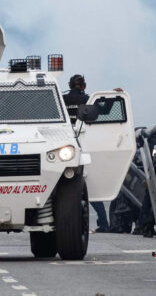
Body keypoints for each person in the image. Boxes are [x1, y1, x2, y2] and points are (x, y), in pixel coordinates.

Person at [62, 74, 109, 232]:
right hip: (84, 143)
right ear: (83, 86)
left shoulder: (62, 99)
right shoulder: (88, 100)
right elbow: (105, 110)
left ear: (70, 85)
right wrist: (114, 95)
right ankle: (103, 223)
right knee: (89, 186)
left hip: (62, 144)